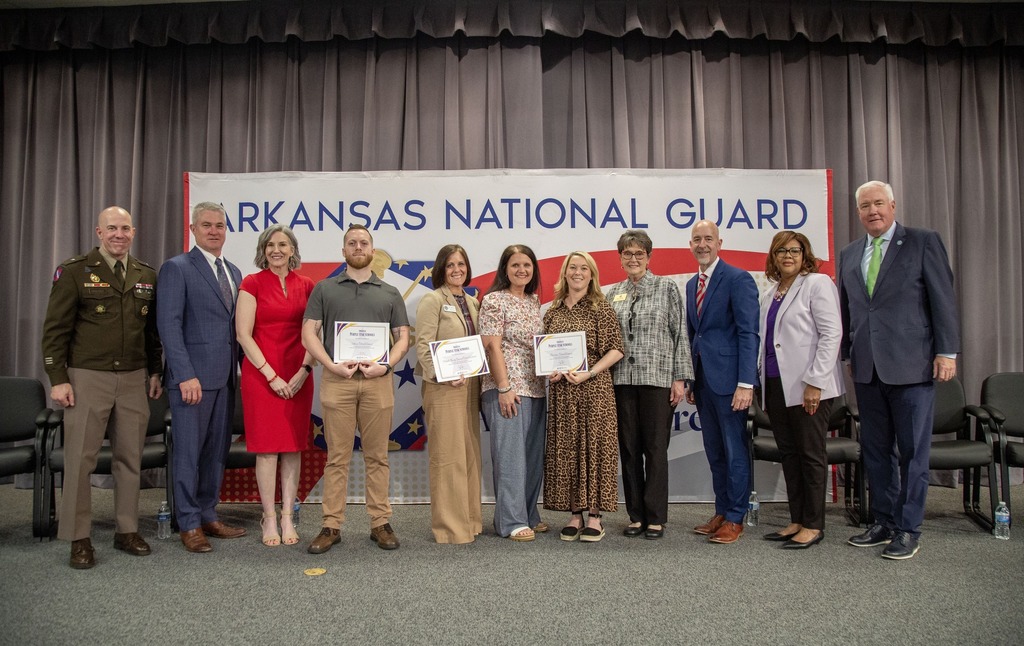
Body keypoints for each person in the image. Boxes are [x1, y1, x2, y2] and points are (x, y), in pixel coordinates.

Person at [838, 180, 960, 560]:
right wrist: (845, 352)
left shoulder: (923, 241)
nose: (872, 211)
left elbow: (943, 299)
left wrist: (947, 352)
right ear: (858, 212)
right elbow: (849, 309)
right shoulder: (850, 253)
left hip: (912, 365)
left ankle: (909, 529)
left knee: (912, 452)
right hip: (867, 367)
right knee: (876, 451)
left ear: (892, 205)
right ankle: (884, 521)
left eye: (878, 203)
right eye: (864, 206)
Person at [41, 206, 163, 569]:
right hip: (86, 377)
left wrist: (155, 371)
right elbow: (54, 330)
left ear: (134, 231)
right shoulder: (75, 271)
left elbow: (151, 333)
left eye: (125, 228)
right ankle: (79, 538)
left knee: (129, 459)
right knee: (81, 460)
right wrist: (58, 379)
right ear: (99, 231)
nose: (119, 234)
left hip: (132, 377)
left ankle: (126, 530)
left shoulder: (145, 275)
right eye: (112, 228)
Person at [302, 224, 409, 553]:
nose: (358, 247)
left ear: (372, 251)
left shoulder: (389, 293)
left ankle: (380, 523)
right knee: (337, 459)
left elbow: (403, 338)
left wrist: (386, 365)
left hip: (378, 383)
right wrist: (330, 364)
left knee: (377, 457)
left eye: (364, 243)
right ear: (344, 251)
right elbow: (309, 333)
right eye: (352, 243)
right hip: (338, 382)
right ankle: (331, 525)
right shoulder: (325, 289)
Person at [157, 201, 247, 553]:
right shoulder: (177, 268)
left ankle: (208, 513)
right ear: (193, 229)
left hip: (225, 379)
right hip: (192, 382)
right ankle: (189, 522)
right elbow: (169, 326)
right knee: (189, 453)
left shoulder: (235, 272)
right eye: (206, 225)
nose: (214, 231)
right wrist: (184, 375)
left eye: (220, 225)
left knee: (215, 452)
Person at [758, 231, 844, 549]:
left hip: (808, 386)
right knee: (790, 454)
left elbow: (831, 333)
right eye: (781, 251)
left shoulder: (817, 284)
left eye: (795, 250)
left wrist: (815, 381)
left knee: (811, 454)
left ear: (805, 254)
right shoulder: (770, 294)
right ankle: (796, 519)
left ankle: (813, 524)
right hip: (776, 385)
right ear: (773, 256)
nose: (788, 256)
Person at [605, 230, 694, 540]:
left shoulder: (666, 287)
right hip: (622, 381)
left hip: (657, 380)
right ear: (619, 258)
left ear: (648, 256)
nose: (633, 259)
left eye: (639, 253)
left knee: (655, 450)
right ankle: (635, 515)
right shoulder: (611, 292)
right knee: (629, 450)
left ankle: (655, 517)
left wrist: (680, 378)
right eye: (627, 254)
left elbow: (680, 334)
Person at [235, 225, 316, 547]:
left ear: (293, 249)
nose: (277, 250)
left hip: (299, 375)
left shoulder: (308, 285)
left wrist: (303, 371)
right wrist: (271, 375)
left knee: (293, 447)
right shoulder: (251, 283)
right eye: (270, 245)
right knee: (267, 450)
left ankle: (287, 515)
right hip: (261, 375)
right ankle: (268, 517)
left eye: (283, 244)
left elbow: (315, 332)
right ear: (263, 250)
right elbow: (243, 334)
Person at [685, 220, 759, 544]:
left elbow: (748, 333)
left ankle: (735, 517)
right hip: (703, 380)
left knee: (734, 450)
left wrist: (746, 382)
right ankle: (721, 509)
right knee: (714, 451)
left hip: (731, 382)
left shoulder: (738, 279)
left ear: (719, 243)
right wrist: (689, 379)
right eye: (697, 240)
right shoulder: (691, 284)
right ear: (691, 245)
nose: (702, 244)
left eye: (708, 239)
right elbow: (694, 335)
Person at [542, 251, 624, 543]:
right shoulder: (553, 312)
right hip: (563, 393)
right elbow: (547, 353)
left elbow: (616, 349)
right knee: (568, 450)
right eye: (573, 268)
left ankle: (595, 516)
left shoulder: (601, 308)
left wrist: (589, 372)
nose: (578, 272)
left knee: (594, 448)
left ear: (592, 275)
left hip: (594, 390)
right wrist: (550, 371)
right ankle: (575, 514)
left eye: (584, 269)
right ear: (564, 273)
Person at [414, 244, 483, 544]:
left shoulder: (472, 302)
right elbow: (423, 344)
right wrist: (442, 374)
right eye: (451, 265)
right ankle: (450, 528)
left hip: (470, 386)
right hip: (443, 388)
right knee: (447, 457)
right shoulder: (431, 300)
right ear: (441, 268)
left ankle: (470, 522)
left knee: (469, 455)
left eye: (462, 264)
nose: (457, 270)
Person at [479, 244, 547, 542]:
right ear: (505, 269)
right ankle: (510, 521)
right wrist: (504, 387)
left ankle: (529, 514)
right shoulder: (494, 300)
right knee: (510, 458)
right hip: (505, 388)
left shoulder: (533, 302)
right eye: (515, 265)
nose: (522, 270)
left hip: (535, 388)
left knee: (532, 458)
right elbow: (492, 345)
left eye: (527, 266)